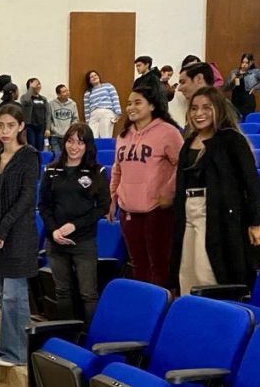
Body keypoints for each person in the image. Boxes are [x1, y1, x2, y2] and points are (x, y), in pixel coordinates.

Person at [171, 86, 260, 295]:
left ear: (218, 109)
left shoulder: (232, 140)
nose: (199, 113)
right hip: (188, 212)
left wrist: (256, 223)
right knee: (187, 272)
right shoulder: (188, 142)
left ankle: (215, 312)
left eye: (206, 108)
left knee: (207, 272)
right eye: (194, 108)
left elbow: (251, 184)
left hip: (217, 214)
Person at [110, 80, 184, 288]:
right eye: (129, 103)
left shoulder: (169, 132)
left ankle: (161, 305)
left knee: (159, 267)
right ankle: (144, 305)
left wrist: (168, 191)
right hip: (128, 211)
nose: (131, 108)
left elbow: (183, 165)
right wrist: (113, 197)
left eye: (137, 103)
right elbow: (117, 168)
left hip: (157, 211)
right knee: (137, 265)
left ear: (152, 105)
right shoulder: (123, 135)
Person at [0, 103, 41, 367]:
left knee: (14, 296)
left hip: (18, 235)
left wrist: (3, 229)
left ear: (20, 126)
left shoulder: (29, 155)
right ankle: (6, 348)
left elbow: (26, 198)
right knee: (2, 294)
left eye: (10, 125)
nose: (5, 131)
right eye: (0, 125)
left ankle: (17, 352)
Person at [39, 123, 110, 322]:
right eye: (70, 141)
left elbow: (102, 207)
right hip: (55, 241)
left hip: (83, 241)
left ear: (87, 145)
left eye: (80, 142)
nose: (74, 147)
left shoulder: (97, 171)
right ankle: (67, 333)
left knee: (88, 293)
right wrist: (53, 231)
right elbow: (44, 205)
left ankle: (90, 334)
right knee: (62, 291)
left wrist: (74, 225)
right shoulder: (51, 170)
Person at [84, 70, 122, 139]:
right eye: (91, 77)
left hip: (106, 112)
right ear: (89, 81)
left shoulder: (108, 86)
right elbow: (86, 109)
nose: (94, 77)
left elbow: (115, 98)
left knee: (105, 136)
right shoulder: (87, 93)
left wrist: (118, 112)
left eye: (95, 75)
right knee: (92, 137)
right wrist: (87, 122)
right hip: (93, 114)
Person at [47, 85, 80, 158]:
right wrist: (53, 129)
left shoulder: (73, 104)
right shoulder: (51, 104)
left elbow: (75, 119)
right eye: (64, 91)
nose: (67, 92)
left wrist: (70, 129)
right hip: (55, 136)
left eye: (67, 90)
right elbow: (49, 119)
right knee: (57, 156)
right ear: (58, 94)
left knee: (67, 157)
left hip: (68, 136)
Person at [20, 78, 50, 151]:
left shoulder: (43, 99)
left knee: (40, 148)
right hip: (30, 127)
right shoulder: (24, 97)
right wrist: (31, 88)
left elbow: (48, 113)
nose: (38, 86)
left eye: (39, 84)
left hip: (41, 127)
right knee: (31, 148)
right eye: (36, 84)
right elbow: (26, 101)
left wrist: (47, 128)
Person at [227, 53, 260, 117]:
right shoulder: (234, 72)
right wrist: (233, 81)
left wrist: (255, 88)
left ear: (251, 62)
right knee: (236, 118)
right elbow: (227, 87)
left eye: (247, 62)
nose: (244, 64)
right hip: (235, 99)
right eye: (243, 62)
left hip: (248, 100)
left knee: (247, 118)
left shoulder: (255, 72)